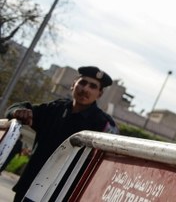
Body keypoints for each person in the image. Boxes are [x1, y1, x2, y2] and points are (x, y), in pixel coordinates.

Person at [5, 66, 118, 202]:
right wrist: (18, 112)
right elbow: (18, 108)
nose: (85, 89)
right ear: (73, 85)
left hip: (61, 195)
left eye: (93, 86)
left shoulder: (102, 123)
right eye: (82, 83)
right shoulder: (55, 109)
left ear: (99, 94)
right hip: (29, 187)